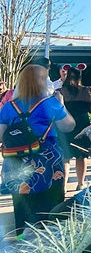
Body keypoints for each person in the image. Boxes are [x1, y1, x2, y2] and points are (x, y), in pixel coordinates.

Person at [0, 63, 72, 239]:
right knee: (50, 203)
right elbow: (69, 126)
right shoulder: (50, 104)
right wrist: (61, 104)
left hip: (17, 161)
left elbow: (1, 136)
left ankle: (21, 238)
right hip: (48, 162)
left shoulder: (9, 107)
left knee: (21, 202)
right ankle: (47, 240)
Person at [59, 67, 91, 191]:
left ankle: (63, 185)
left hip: (66, 123)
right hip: (82, 123)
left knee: (65, 156)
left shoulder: (61, 91)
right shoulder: (88, 90)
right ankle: (80, 183)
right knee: (81, 155)